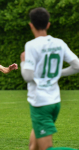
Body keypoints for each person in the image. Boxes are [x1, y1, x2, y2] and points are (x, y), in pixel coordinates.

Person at [20, 7, 79, 150]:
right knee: (34, 146)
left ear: (31, 25)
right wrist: (59, 73)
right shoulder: (59, 43)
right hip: (54, 102)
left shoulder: (31, 46)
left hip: (40, 103)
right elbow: (77, 66)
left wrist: (23, 61)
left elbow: (27, 76)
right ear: (48, 25)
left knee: (46, 148)